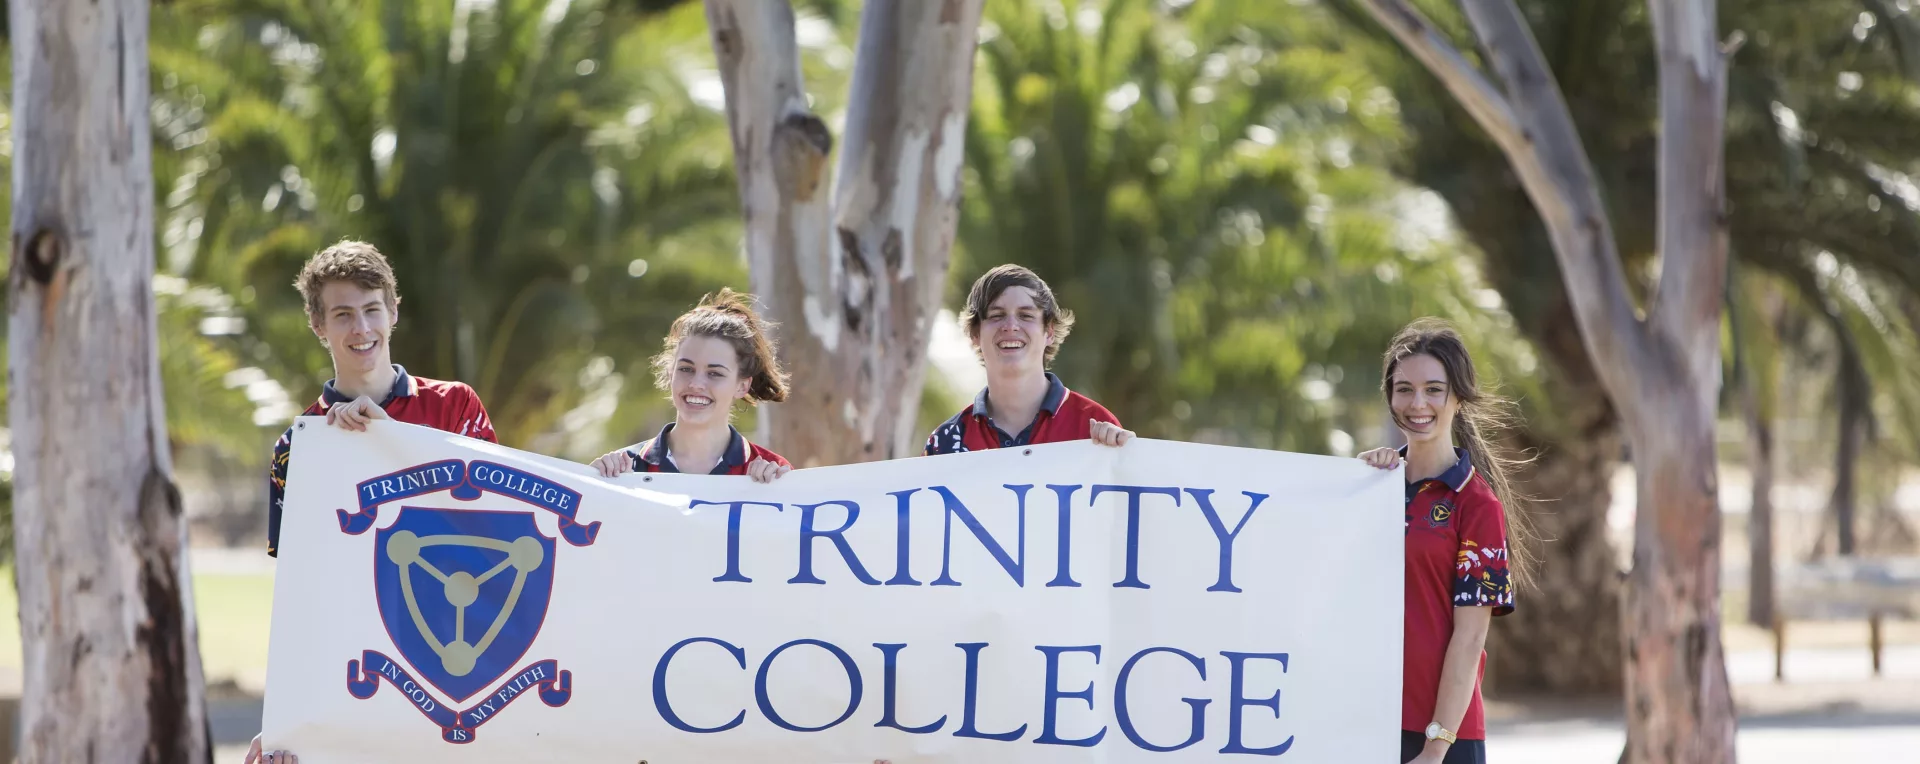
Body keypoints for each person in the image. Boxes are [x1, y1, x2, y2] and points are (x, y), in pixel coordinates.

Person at [252, 240, 497, 762]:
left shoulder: (457, 407)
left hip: (458, 669)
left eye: (371, 310)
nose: (361, 329)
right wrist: (284, 720)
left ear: (394, 310)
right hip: (358, 674)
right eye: (343, 315)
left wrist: (394, 445)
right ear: (319, 326)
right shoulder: (299, 446)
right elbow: (300, 595)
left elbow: (489, 531)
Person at [1357, 318, 1532, 764]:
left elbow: (1470, 639)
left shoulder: (1478, 506)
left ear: (1458, 398)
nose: (1418, 403)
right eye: (1404, 389)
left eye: (1434, 389)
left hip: (1440, 736)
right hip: (1358, 720)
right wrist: (1354, 481)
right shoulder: (1366, 487)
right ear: (1390, 396)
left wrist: (1436, 747)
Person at [924, 264, 1132, 455]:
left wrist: (1129, 453)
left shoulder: (1093, 427)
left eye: (1026, 315)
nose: (1011, 326)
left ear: (1049, 332)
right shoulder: (945, 443)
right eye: (997, 315)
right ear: (975, 333)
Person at [591, 289, 792, 481]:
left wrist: (775, 489)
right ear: (671, 373)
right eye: (686, 369)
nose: (696, 384)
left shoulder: (771, 473)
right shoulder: (624, 471)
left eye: (715, 373)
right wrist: (598, 483)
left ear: (742, 386)